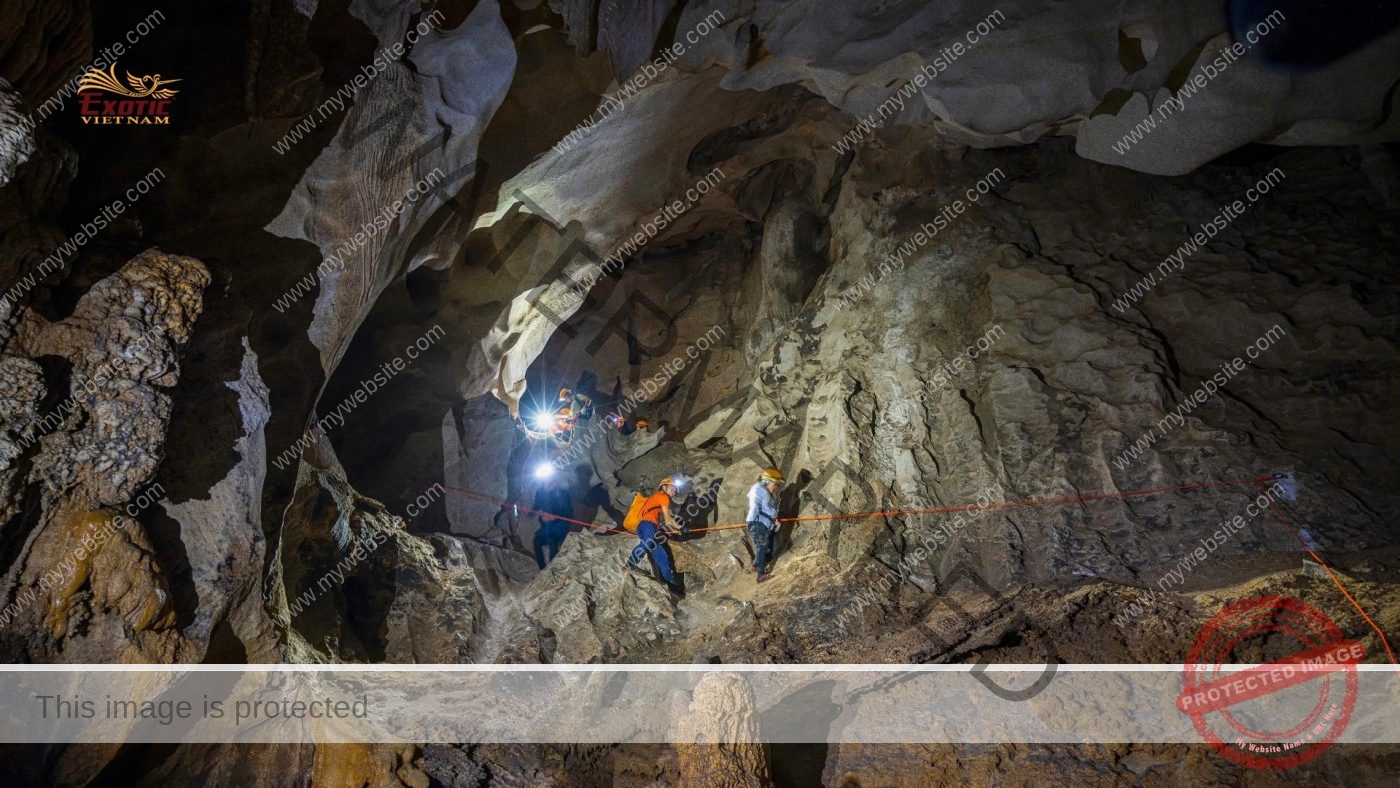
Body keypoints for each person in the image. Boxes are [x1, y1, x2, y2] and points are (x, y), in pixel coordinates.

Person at [628, 476, 686, 596]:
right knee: (648, 542)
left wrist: (677, 530)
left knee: (661, 555)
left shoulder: (657, 498)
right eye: (672, 488)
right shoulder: (663, 496)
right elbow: (668, 519)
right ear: (664, 487)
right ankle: (630, 563)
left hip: (646, 526)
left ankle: (670, 581)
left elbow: (666, 520)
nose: (674, 491)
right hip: (647, 525)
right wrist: (681, 528)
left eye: (675, 489)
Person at [747, 468, 783, 583]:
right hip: (757, 522)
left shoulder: (768, 494)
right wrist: (757, 517)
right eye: (775, 484)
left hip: (767, 524)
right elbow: (755, 505)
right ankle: (760, 574)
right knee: (762, 545)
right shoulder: (758, 489)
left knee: (776, 545)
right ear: (768, 481)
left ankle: (757, 564)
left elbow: (770, 509)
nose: (776, 488)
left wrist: (774, 520)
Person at [533, 474, 573, 569]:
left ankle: (552, 568)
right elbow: (536, 507)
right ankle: (542, 569)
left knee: (551, 540)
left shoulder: (563, 494)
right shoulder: (540, 492)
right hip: (547, 527)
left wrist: (555, 517)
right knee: (537, 541)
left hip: (560, 525)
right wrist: (528, 512)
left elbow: (569, 513)